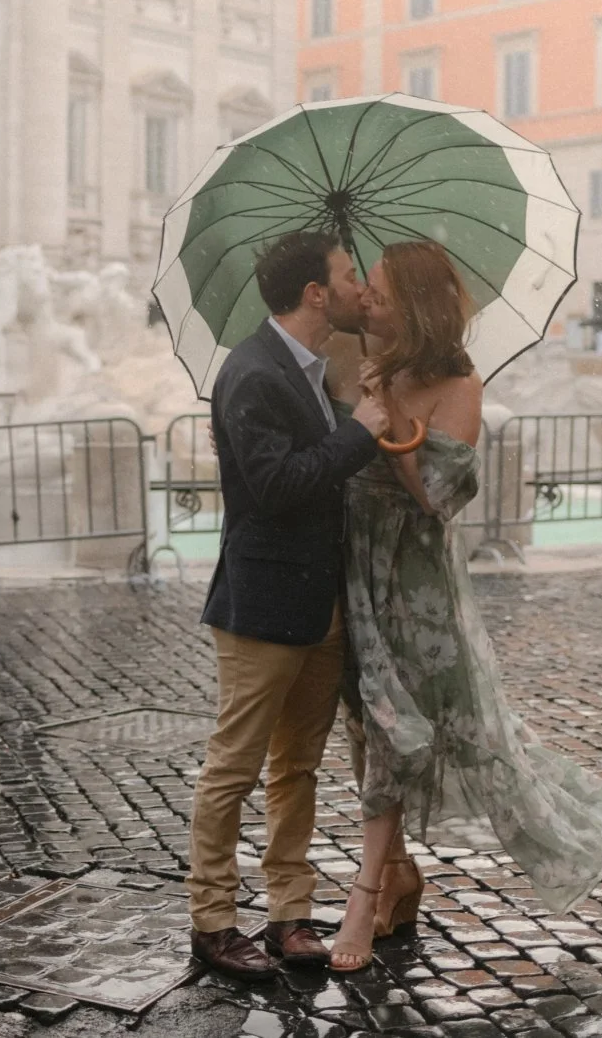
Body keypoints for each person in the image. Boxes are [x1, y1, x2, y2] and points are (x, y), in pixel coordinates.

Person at [325, 240, 602, 973]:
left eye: (384, 293)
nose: (372, 301)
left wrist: (386, 414)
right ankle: (396, 879)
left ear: (418, 307)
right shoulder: (358, 358)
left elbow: (436, 496)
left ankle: (364, 897)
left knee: (409, 728)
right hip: (352, 567)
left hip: (418, 585)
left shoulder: (459, 383)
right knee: (370, 722)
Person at [187, 230, 391, 981]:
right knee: (234, 769)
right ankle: (212, 923)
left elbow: (320, 463)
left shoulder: (312, 370)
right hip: (262, 603)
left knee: (297, 766)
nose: (354, 287)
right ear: (315, 293)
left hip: (320, 602)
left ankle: (288, 914)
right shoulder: (252, 372)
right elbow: (277, 487)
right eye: (345, 276)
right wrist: (361, 435)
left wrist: (357, 408)